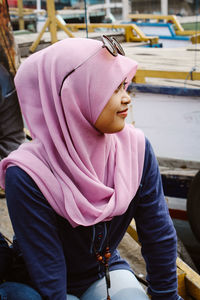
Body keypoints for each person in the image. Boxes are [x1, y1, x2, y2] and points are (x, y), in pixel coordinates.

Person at [0, 36, 183, 300]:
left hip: (102, 270)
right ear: (74, 96)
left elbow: (159, 234)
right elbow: (48, 268)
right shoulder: (27, 174)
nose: (126, 99)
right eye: (113, 89)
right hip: (38, 283)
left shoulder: (136, 149)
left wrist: (166, 296)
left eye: (124, 86)